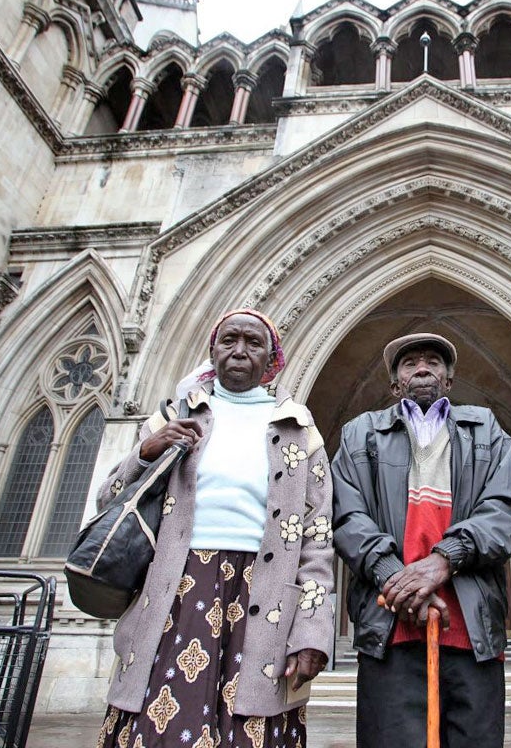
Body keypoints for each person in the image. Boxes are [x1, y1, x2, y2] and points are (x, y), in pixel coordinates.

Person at [96, 308, 334, 748]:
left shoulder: (301, 431)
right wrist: (146, 451)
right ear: (212, 350)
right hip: (175, 594)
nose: (240, 351)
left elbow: (317, 538)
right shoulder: (172, 417)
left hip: (266, 597)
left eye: (253, 343)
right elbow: (108, 500)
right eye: (229, 341)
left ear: (271, 359)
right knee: (162, 726)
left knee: (250, 731)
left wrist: (313, 631)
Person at [331, 333, 511, 748]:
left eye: (434, 362)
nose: (423, 368)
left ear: (450, 382)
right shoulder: (358, 434)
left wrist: (446, 558)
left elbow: (506, 510)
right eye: (410, 363)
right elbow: (347, 516)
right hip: (389, 628)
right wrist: (395, 578)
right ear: (394, 384)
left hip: (471, 629)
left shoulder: (487, 430)